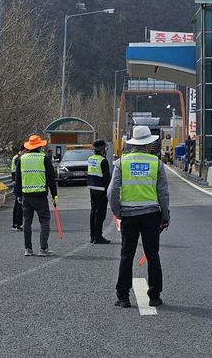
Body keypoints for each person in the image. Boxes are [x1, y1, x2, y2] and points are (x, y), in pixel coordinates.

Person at [108, 125, 170, 308]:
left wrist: (117, 211)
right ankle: (155, 296)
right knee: (153, 255)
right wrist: (165, 216)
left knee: (127, 254)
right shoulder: (156, 163)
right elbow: (163, 193)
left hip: (128, 215)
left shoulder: (122, 162)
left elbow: (112, 191)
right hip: (151, 214)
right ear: (148, 144)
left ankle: (123, 297)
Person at [14, 134, 58, 257]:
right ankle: (43, 248)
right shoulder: (44, 158)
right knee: (44, 221)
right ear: (39, 146)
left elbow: (18, 179)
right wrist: (54, 195)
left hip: (26, 196)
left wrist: (19, 195)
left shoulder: (21, 159)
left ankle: (28, 249)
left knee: (27, 222)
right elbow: (51, 179)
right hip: (40, 196)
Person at [87, 139, 112, 244]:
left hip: (92, 189)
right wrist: (110, 191)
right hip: (101, 190)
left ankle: (93, 236)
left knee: (93, 212)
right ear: (102, 149)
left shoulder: (91, 159)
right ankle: (98, 236)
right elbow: (107, 179)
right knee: (100, 214)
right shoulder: (103, 161)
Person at [10, 144, 25, 231]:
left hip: (17, 183)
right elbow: (15, 172)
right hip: (18, 184)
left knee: (17, 204)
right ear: (24, 150)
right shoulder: (18, 158)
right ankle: (18, 224)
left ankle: (16, 224)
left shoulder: (17, 157)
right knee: (19, 205)